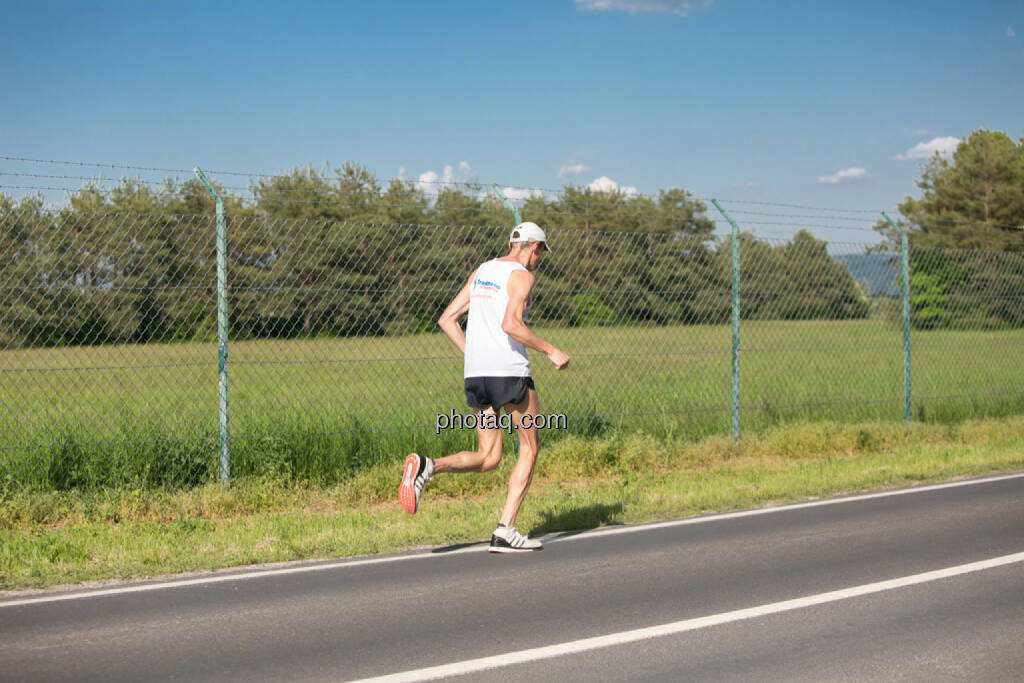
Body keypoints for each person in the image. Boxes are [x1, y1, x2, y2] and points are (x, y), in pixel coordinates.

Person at [398, 221, 570, 553]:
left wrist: (476, 356)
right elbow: (511, 324)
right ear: (533, 247)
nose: (540, 260)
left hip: (477, 376)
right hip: (508, 374)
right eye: (541, 253)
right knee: (530, 448)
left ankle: (427, 465)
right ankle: (505, 530)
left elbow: (447, 320)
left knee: (489, 457)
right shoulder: (522, 276)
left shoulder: (482, 271)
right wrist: (551, 350)